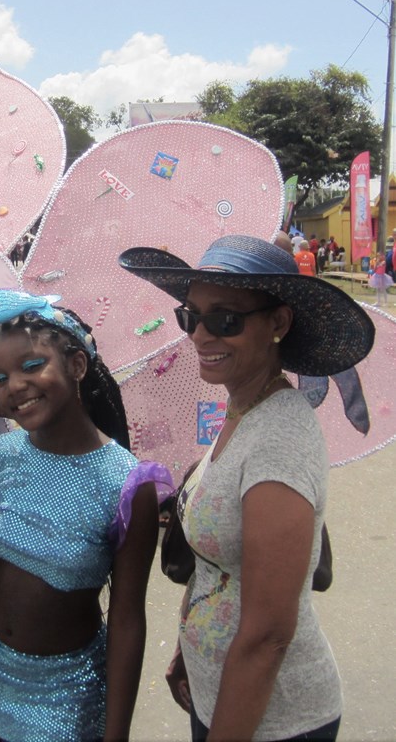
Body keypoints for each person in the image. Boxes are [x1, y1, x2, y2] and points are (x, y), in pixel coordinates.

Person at [119, 234, 375, 741]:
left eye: (225, 319)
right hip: (218, 694)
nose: (199, 336)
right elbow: (223, 567)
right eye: (191, 316)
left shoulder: (279, 437)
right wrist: (190, 647)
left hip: (275, 721)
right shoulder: (241, 408)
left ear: (277, 324)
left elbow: (268, 636)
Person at [0, 289, 171, 741]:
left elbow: (127, 620)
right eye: (0, 376)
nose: (14, 385)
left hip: (66, 701)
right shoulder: (0, 457)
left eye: (32, 366)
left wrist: (114, 736)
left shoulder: (127, 486)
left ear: (77, 366)